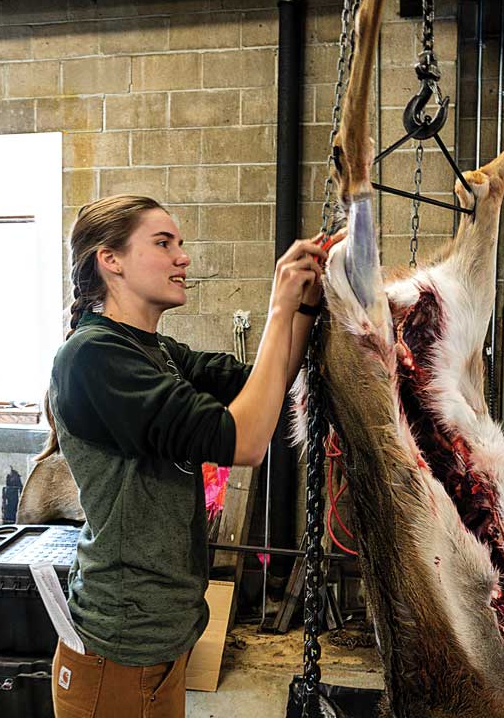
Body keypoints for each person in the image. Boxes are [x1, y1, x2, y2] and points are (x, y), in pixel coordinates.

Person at [35, 194, 330, 718]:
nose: (183, 257)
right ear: (111, 260)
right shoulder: (92, 358)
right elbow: (247, 440)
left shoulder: (161, 352)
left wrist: (304, 304)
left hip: (163, 634)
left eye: (181, 244)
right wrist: (278, 306)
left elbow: (270, 382)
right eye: (163, 243)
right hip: (122, 643)